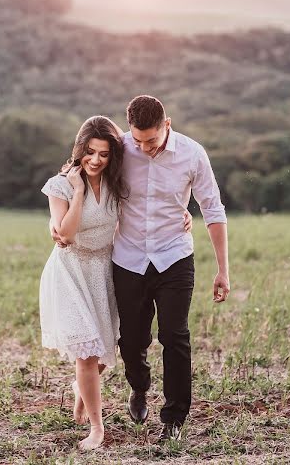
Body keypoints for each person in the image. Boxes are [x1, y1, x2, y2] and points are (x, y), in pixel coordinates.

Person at [41, 115, 193, 450]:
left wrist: (183, 214)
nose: (96, 160)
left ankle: (84, 386)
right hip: (71, 271)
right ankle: (97, 428)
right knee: (86, 351)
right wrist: (79, 190)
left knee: (103, 354)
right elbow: (64, 233)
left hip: (105, 270)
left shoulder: (116, 183)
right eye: (90, 152)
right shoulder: (61, 185)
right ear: (80, 150)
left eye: (104, 154)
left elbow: (149, 205)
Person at [112, 95, 230, 442]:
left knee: (175, 336)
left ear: (168, 125)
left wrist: (223, 270)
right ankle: (139, 386)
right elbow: (83, 169)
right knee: (131, 339)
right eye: (138, 140)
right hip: (128, 257)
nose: (145, 147)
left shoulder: (193, 154)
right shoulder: (120, 148)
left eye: (151, 140)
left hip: (174, 257)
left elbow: (213, 209)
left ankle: (174, 420)